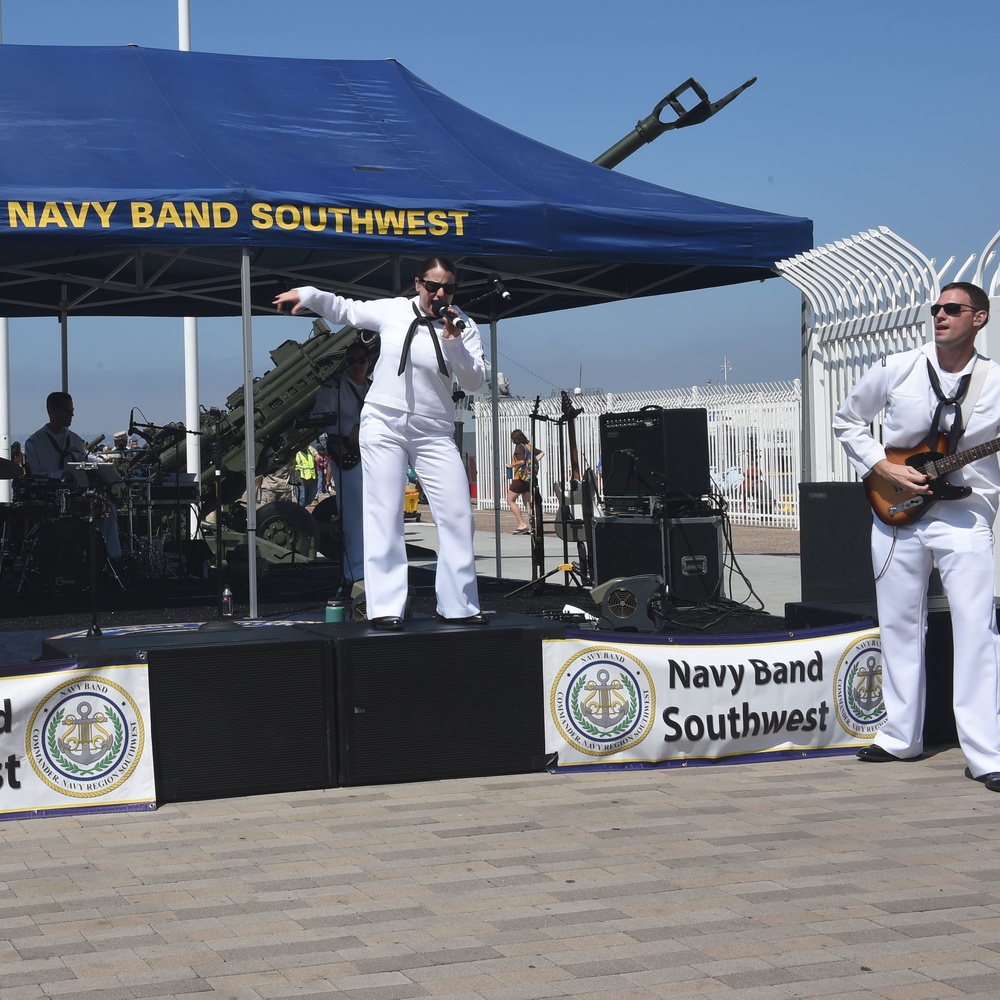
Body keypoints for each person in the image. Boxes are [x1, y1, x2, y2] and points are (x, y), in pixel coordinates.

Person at [833, 281, 1000, 792]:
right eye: (936, 309)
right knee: (901, 624)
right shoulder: (897, 366)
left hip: (966, 514)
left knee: (977, 628)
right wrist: (883, 466)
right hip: (896, 510)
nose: (940, 316)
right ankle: (899, 736)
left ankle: (986, 753)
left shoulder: (995, 380)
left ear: (980, 319)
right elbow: (848, 421)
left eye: (953, 309)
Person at [274, 256, 488, 630]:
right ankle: (386, 606)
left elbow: (473, 382)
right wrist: (308, 294)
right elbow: (345, 310)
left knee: (457, 516)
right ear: (418, 284)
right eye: (433, 285)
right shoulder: (393, 311)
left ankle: (458, 605)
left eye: (448, 288)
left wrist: (453, 342)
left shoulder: (463, 325)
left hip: (434, 430)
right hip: (384, 422)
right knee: (385, 514)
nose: (440, 293)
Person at [24, 391, 122, 561]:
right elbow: (36, 475)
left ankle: (111, 558)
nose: (72, 415)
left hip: (77, 496)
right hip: (50, 499)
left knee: (108, 508)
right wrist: (61, 474)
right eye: (66, 410)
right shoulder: (34, 442)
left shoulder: (75, 440)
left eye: (72, 410)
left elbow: (83, 461)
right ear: (52, 411)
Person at [311, 342, 370, 585]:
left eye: (362, 360)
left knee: (375, 514)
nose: (357, 365)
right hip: (347, 452)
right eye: (353, 360)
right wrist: (351, 427)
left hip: (373, 454)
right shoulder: (334, 387)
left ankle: (372, 568)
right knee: (354, 515)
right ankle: (356, 572)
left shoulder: (374, 388)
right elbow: (321, 418)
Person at [507, 429, 542, 534]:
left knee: (510, 500)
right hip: (529, 478)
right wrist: (533, 461)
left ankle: (522, 524)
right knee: (527, 502)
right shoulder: (529, 447)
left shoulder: (519, 447)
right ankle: (535, 525)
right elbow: (542, 453)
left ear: (515, 439)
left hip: (520, 478)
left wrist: (511, 465)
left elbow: (521, 461)